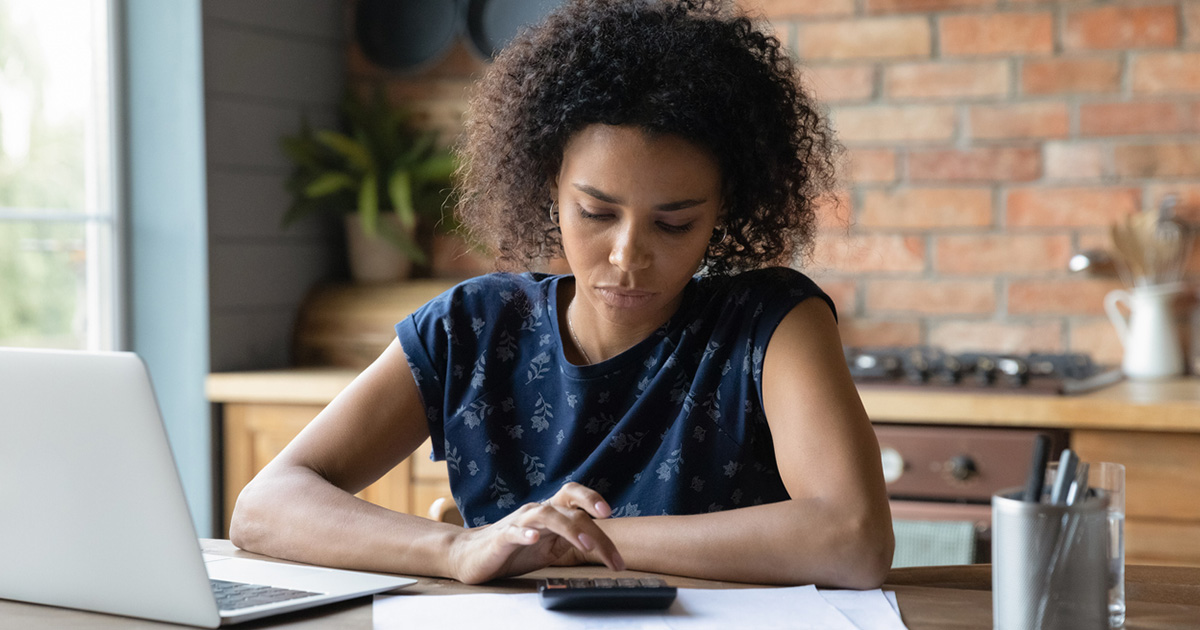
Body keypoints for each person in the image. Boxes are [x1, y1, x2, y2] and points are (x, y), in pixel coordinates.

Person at [231, 0, 894, 589]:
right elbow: (264, 506)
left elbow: (853, 540)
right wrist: (458, 548)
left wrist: (572, 542)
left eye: (674, 222)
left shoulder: (771, 325)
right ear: (550, 187)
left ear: (726, 209)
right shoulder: (473, 327)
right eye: (597, 212)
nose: (627, 255)